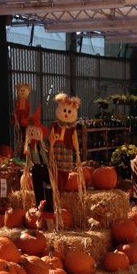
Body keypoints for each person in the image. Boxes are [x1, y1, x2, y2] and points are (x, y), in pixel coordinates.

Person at [46, 93, 83, 227]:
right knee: (55, 172)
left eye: (69, 111)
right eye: (65, 111)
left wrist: (77, 152)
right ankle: (55, 193)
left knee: (65, 173)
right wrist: (51, 145)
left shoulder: (72, 128)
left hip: (66, 151)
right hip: (56, 150)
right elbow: (50, 138)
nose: (66, 114)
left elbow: (74, 140)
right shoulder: (54, 125)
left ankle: (59, 192)